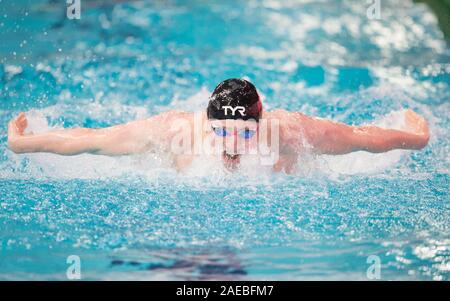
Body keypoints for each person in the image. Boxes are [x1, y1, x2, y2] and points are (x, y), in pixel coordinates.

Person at [7, 78, 430, 173]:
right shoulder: (176, 131)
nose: (231, 142)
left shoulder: (290, 131)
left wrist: (417, 136)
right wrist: (23, 144)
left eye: (244, 132)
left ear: (261, 122)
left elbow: (362, 139)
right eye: (221, 131)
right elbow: (94, 141)